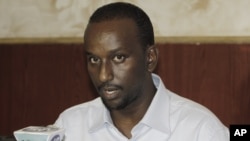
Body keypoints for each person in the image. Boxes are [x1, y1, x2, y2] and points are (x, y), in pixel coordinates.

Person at [54, 2, 229, 141]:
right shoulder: (69, 127)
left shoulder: (201, 130)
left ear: (150, 58)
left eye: (118, 58)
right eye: (94, 59)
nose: (103, 76)